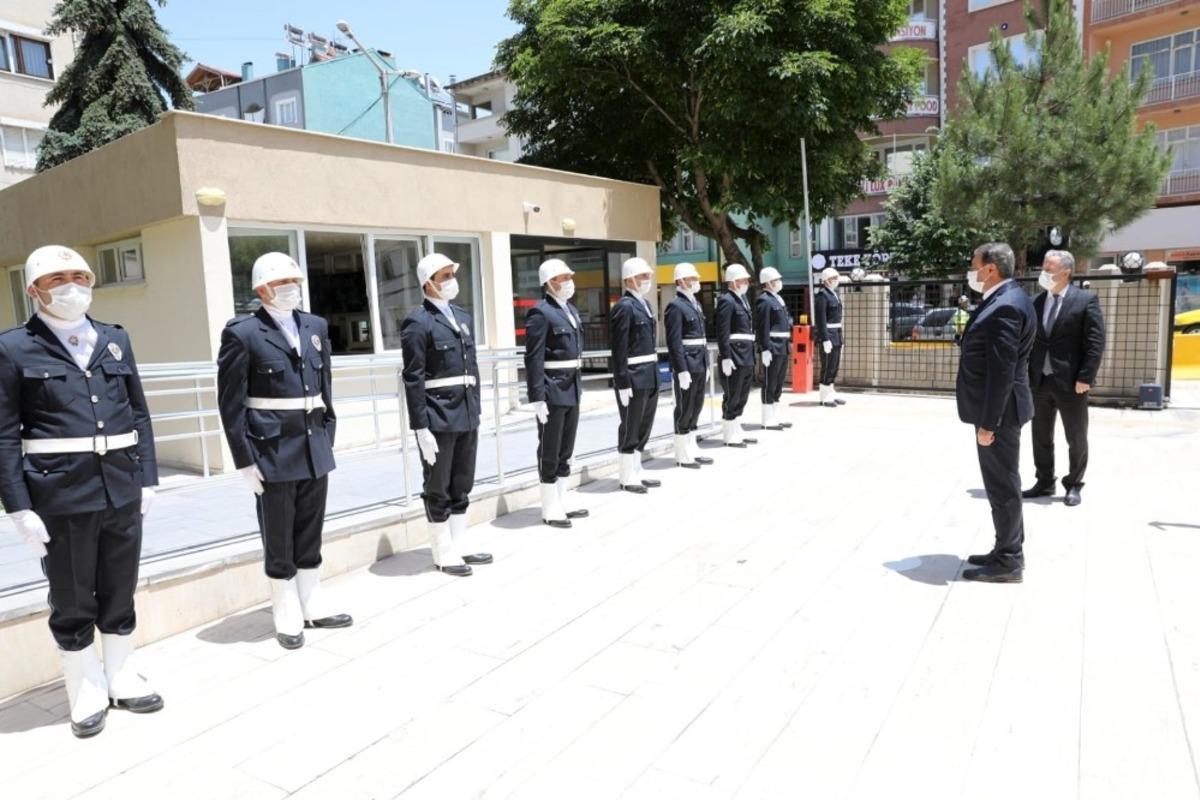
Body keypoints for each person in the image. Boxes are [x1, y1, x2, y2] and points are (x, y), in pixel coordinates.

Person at [0, 245, 161, 737]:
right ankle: (85, 685)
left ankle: (120, 673)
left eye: (79, 276)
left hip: (121, 486)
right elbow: (4, 435)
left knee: (120, 585)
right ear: (34, 290)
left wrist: (148, 477)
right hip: (61, 493)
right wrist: (18, 507)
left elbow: (138, 413)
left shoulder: (114, 338)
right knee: (71, 594)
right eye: (57, 279)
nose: (71, 286)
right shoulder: (13, 347)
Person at [218, 252, 352, 651]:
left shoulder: (314, 325)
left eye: (295, 282)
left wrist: (328, 432)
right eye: (282, 283)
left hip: (313, 444)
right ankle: (285, 608)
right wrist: (244, 459)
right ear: (262, 289)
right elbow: (230, 403)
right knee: (279, 531)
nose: (291, 289)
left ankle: (311, 601)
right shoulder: (244, 333)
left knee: (311, 526)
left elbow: (325, 384)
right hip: (272, 449)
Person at [400, 252, 494, 575]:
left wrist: (476, 408)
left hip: (466, 413)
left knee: (462, 481)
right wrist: (420, 427)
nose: (452, 281)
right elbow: (413, 377)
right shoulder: (418, 322)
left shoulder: (462, 317)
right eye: (444, 277)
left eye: (452, 274)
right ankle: (442, 552)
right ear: (428, 283)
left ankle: (459, 545)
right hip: (438, 415)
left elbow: (473, 368)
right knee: (438, 484)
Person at [955, 243, 1036, 583]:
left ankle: (1009, 561)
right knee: (1003, 483)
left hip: (999, 414)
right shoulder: (1008, 299)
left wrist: (989, 423)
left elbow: (1002, 372)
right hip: (1001, 409)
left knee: (1002, 485)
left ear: (990, 269)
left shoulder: (1006, 306)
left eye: (973, 265)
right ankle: (1006, 547)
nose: (970, 271)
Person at [1023, 249, 1106, 507]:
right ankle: (1045, 480)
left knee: (1076, 436)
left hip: (1072, 382)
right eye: (1043, 268)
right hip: (1040, 380)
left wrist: (1086, 377)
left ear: (1066, 272)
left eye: (1049, 269)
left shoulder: (1085, 300)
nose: (1044, 273)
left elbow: (1095, 342)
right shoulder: (1036, 301)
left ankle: (1074, 484)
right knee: (1040, 436)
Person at [524, 258, 589, 527]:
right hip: (552, 389)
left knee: (566, 448)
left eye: (569, 277)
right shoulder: (540, 313)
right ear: (550, 282)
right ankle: (549, 506)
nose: (569, 283)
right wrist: (537, 397)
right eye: (563, 278)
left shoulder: (570, 310)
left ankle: (562, 499)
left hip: (571, 387)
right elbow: (534, 358)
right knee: (550, 448)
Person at [609, 257, 662, 493]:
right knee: (630, 426)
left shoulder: (645, 304)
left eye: (648, 276)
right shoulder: (624, 307)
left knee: (644, 425)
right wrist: (622, 381)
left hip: (649, 373)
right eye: (643, 276)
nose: (647, 280)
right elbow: (619, 347)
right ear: (629, 279)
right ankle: (626, 475)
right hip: (633, 375)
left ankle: (637, 469)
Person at [664, 263, 713, 469]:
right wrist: (681, 369)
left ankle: (692, 447)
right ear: (681, 281)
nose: (696, 282)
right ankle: (682, 453)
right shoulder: (675, 306)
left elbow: (701, 339)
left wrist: (707, 363)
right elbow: (674, 342)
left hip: (699, 361)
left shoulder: (695, 304)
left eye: (696, 278)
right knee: (684, 407)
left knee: (696, 405)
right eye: (692, 279)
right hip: (687, 364)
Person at [715, 264, 758, 448]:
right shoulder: (727, 300)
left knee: (742, 395)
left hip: (746, 355)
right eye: (743, 280)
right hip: (734, 355)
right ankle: (729, 434)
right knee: (733, 395)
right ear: (732, 282)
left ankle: (737, 429)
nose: (746, 283)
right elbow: (722, 331)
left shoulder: (742, 300)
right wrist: (726, 356)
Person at [755, 267, 794, 431]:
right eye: (776, 280)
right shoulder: (764, 300)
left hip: (782, 345)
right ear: (769, 283)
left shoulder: (777, 299)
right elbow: (762, 327)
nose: (779, 282)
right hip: (772, 346)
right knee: (770, 382)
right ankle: (767, 419)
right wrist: (764, 348)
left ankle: (775, 416)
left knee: (778, 382)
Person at [813, 266, 846, 408]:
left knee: (834, 366)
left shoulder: (834, 294)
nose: (836, 280)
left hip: (836, 334)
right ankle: (824, 397)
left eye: (836, 278)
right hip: (828, 335)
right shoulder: (822, 296)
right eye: (833, 278)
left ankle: (831, 392)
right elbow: (821, 320)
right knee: (827, 366)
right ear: (826, 280)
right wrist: (825, 339)